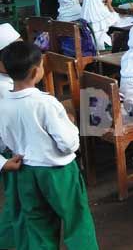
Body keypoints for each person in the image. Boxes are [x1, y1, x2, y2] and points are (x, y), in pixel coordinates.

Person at [0, 42, 99, 249]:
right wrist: (70, 123)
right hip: (58, 172)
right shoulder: (46, 103)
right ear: (36, 71)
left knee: (37, 227)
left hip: (25, 171)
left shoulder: (3, 104)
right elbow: (68, 143)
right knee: (76, 220)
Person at [0, 24, 22, 250]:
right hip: (10, 156)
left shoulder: (9, 83)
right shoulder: (4, 90)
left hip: (12, 153)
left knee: (16, 203)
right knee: (17, 204)